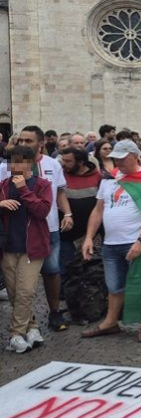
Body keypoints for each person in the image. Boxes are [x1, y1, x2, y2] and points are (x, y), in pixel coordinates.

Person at [81, 140, 141, 343]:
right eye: (115, 159)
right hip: (111, 243)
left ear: (134, 156)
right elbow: (98, 210)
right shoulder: (109, 179)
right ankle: (110, 322)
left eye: (122, 159)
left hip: (135, 241)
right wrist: (89, 237)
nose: (118, 162)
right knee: (114, 286)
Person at [1, 126, 72, 332]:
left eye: (28, 141)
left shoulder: (52, 164)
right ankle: (29, 326)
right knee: (19, 287)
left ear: (40, 144)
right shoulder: (6, 167)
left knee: (51, 271)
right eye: (21, 140)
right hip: (15, 230)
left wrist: (67, 214)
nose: (23, 144)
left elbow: (59, 193)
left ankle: (53, 312)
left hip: (48, 226)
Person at [0, 145, 53, 353]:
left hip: (33, 247)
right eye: (12, 161)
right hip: (8, 247)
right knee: (15, 293)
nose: (15, 166)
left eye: (20, 161)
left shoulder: (42, 184)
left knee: (26, 291)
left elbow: (42, 211)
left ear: (30, 163)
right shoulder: (3, 185)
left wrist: (24, 190)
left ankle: (15, 334)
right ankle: (32, 328)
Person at [59, 147, 106, 324]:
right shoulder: (61, 176)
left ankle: (95, 307)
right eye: (63, 160)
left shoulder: (98, 177)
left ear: (80, 162)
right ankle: (75, 312)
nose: (64, 164)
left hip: (92, 234)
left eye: (68, 161)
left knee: (93, 273)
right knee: (70, 274)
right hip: (67, 235)